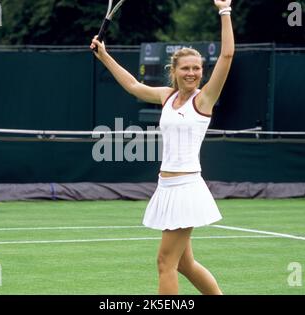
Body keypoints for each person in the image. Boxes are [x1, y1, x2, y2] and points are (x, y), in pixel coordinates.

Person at [90, 0, 234, 295]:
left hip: (186, 188)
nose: (192, 73)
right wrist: (104, 56)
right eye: (186, 68)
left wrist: (224, 11)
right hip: (166, 188)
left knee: (164, 263)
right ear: (175, 70)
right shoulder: (167, 97)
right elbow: (132, 85)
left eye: (197, 68)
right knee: (184, 264)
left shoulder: (203, 100)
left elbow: (227, 55)